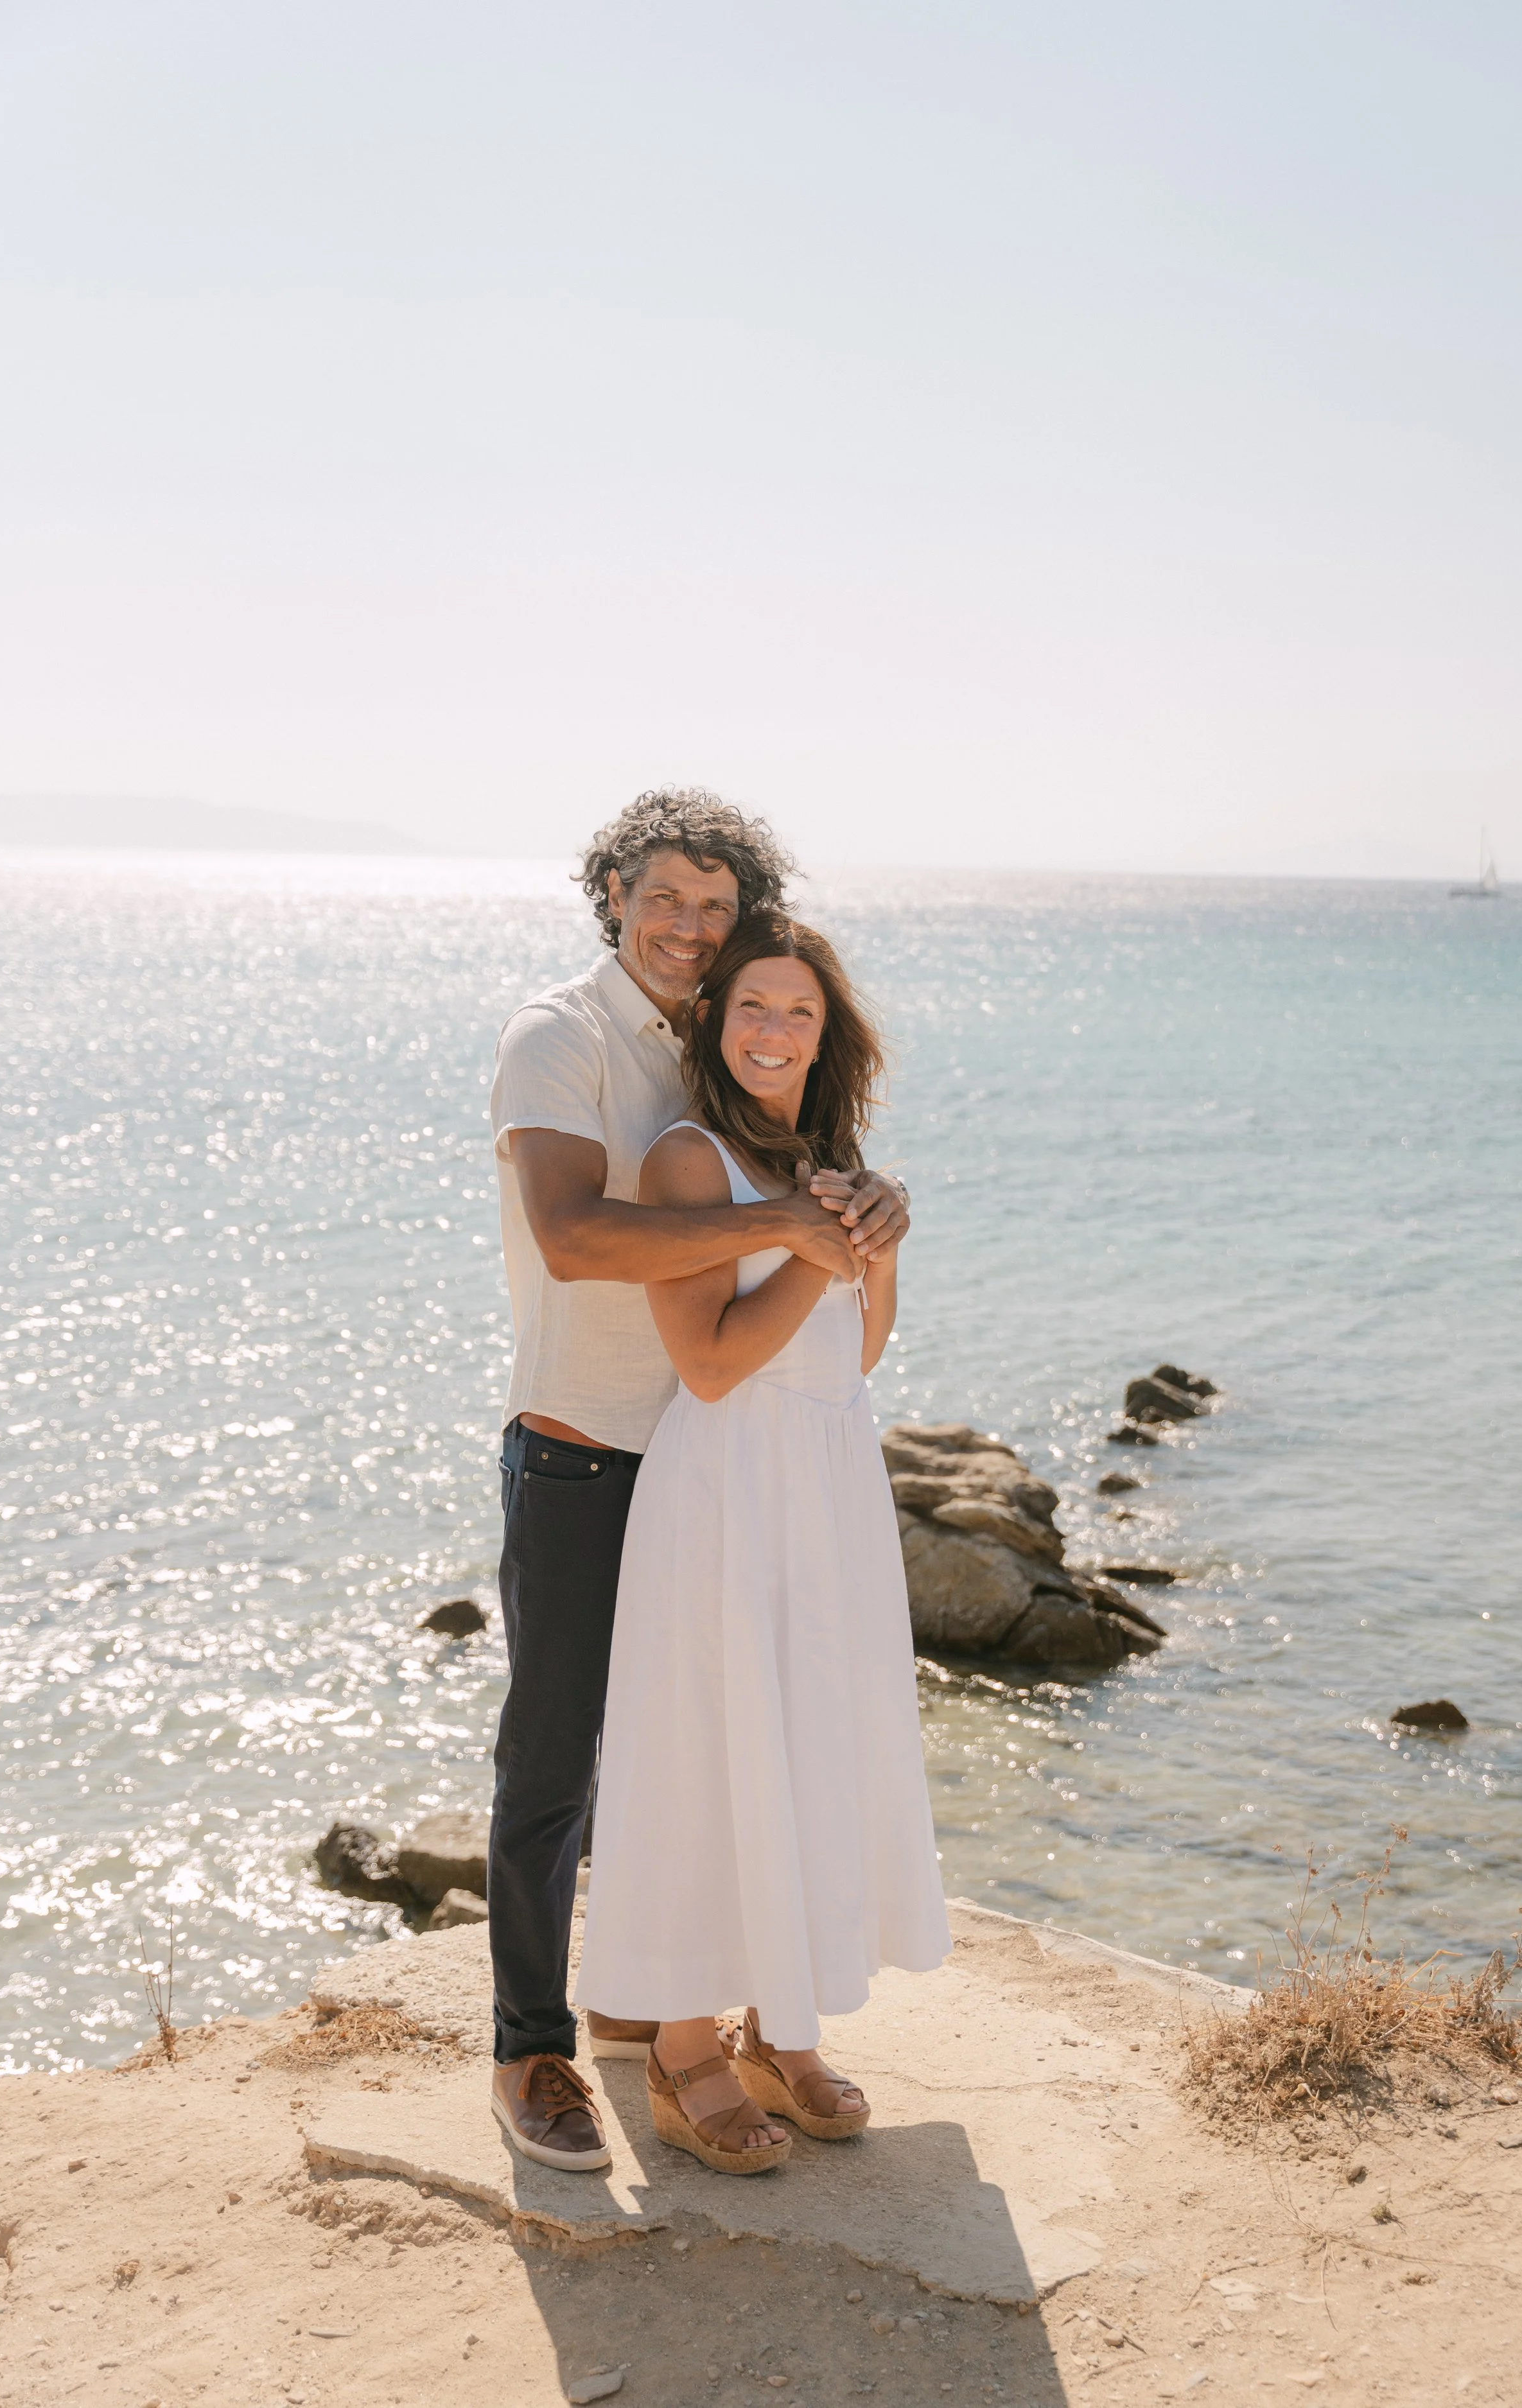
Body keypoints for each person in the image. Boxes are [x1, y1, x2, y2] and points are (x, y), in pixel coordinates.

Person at [486, 790, 911, 2173]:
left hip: (712, 1459)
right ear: (611, 890)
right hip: (586, 1441)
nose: (687, 927)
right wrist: (796, 1223)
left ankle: (686, 2005)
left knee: (720, 1741)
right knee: (556, 1762)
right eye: (662, 897)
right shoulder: (562, 1036)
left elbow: (818, 1308)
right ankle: (531, 2049)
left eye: (714, 908)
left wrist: (848, 1219)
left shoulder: (714, 1044)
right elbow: (570, 1233)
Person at [575, 912, 950, 2172]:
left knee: (806, 1746)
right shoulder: (689, 1163)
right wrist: (803, 1238)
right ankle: (683, 2049)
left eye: (796, 1011)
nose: (772, 1031)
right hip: (728, 1487)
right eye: (750, 1009)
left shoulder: (827, 1156)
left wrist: (872, 1240)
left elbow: (859, 1346)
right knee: (708, 1754)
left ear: (826, 1031)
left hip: (827, 1480)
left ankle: (776, 2031)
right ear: (714, 1024)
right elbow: (713, 1364)